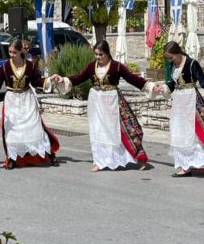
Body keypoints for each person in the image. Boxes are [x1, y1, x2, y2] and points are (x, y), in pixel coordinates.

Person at [52, 40, 158, 173]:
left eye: (101, 54)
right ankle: (100, 161)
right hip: (96, 102)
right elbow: (79, 78)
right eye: (96, 54)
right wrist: (63, 79)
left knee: (122, 130)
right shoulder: (92, 67)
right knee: (98, 130)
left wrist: (151, 86)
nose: (98, 57)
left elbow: (132, 78)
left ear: (107, 53)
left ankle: (139, 158)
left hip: (112, 101)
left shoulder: (117, 66)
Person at [0, 38, 59, 169]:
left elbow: (36, 81)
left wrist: (49, 80)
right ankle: (12, 158)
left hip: (27, 99)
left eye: (14, 52)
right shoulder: (5, 66)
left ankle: (50, 154)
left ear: (20, 51)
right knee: (13, 131)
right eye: (10, 52)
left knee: (35, 128)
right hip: (12, 100)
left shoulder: (30, 65)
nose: (11, 55)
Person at [161, 41, 204, 178]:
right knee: (181, 132)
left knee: (198, 133)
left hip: (191, 100)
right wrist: (164, 88)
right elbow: (173, 82)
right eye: (168, 58)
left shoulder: (192, 63)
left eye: (171, 57)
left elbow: (202, 80)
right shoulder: (173, 65)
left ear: (178, 53)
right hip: (179, 102)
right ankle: (185, 166)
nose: (170, 60)